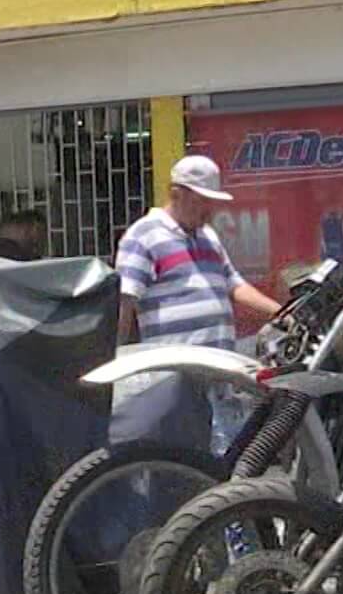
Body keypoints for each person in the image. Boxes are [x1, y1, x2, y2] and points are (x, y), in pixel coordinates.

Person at [113, 155, 280, 450]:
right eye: (202, 201)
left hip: (220, 379)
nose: (209, 210)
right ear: (176, 193)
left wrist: (282, 314)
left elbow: (235, 285)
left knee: (226, 463)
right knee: (188, 461)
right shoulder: (143, 235)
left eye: (211, 202)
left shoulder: (208, 237)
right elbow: (124, 303)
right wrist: (116, 368)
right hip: (178, 383)